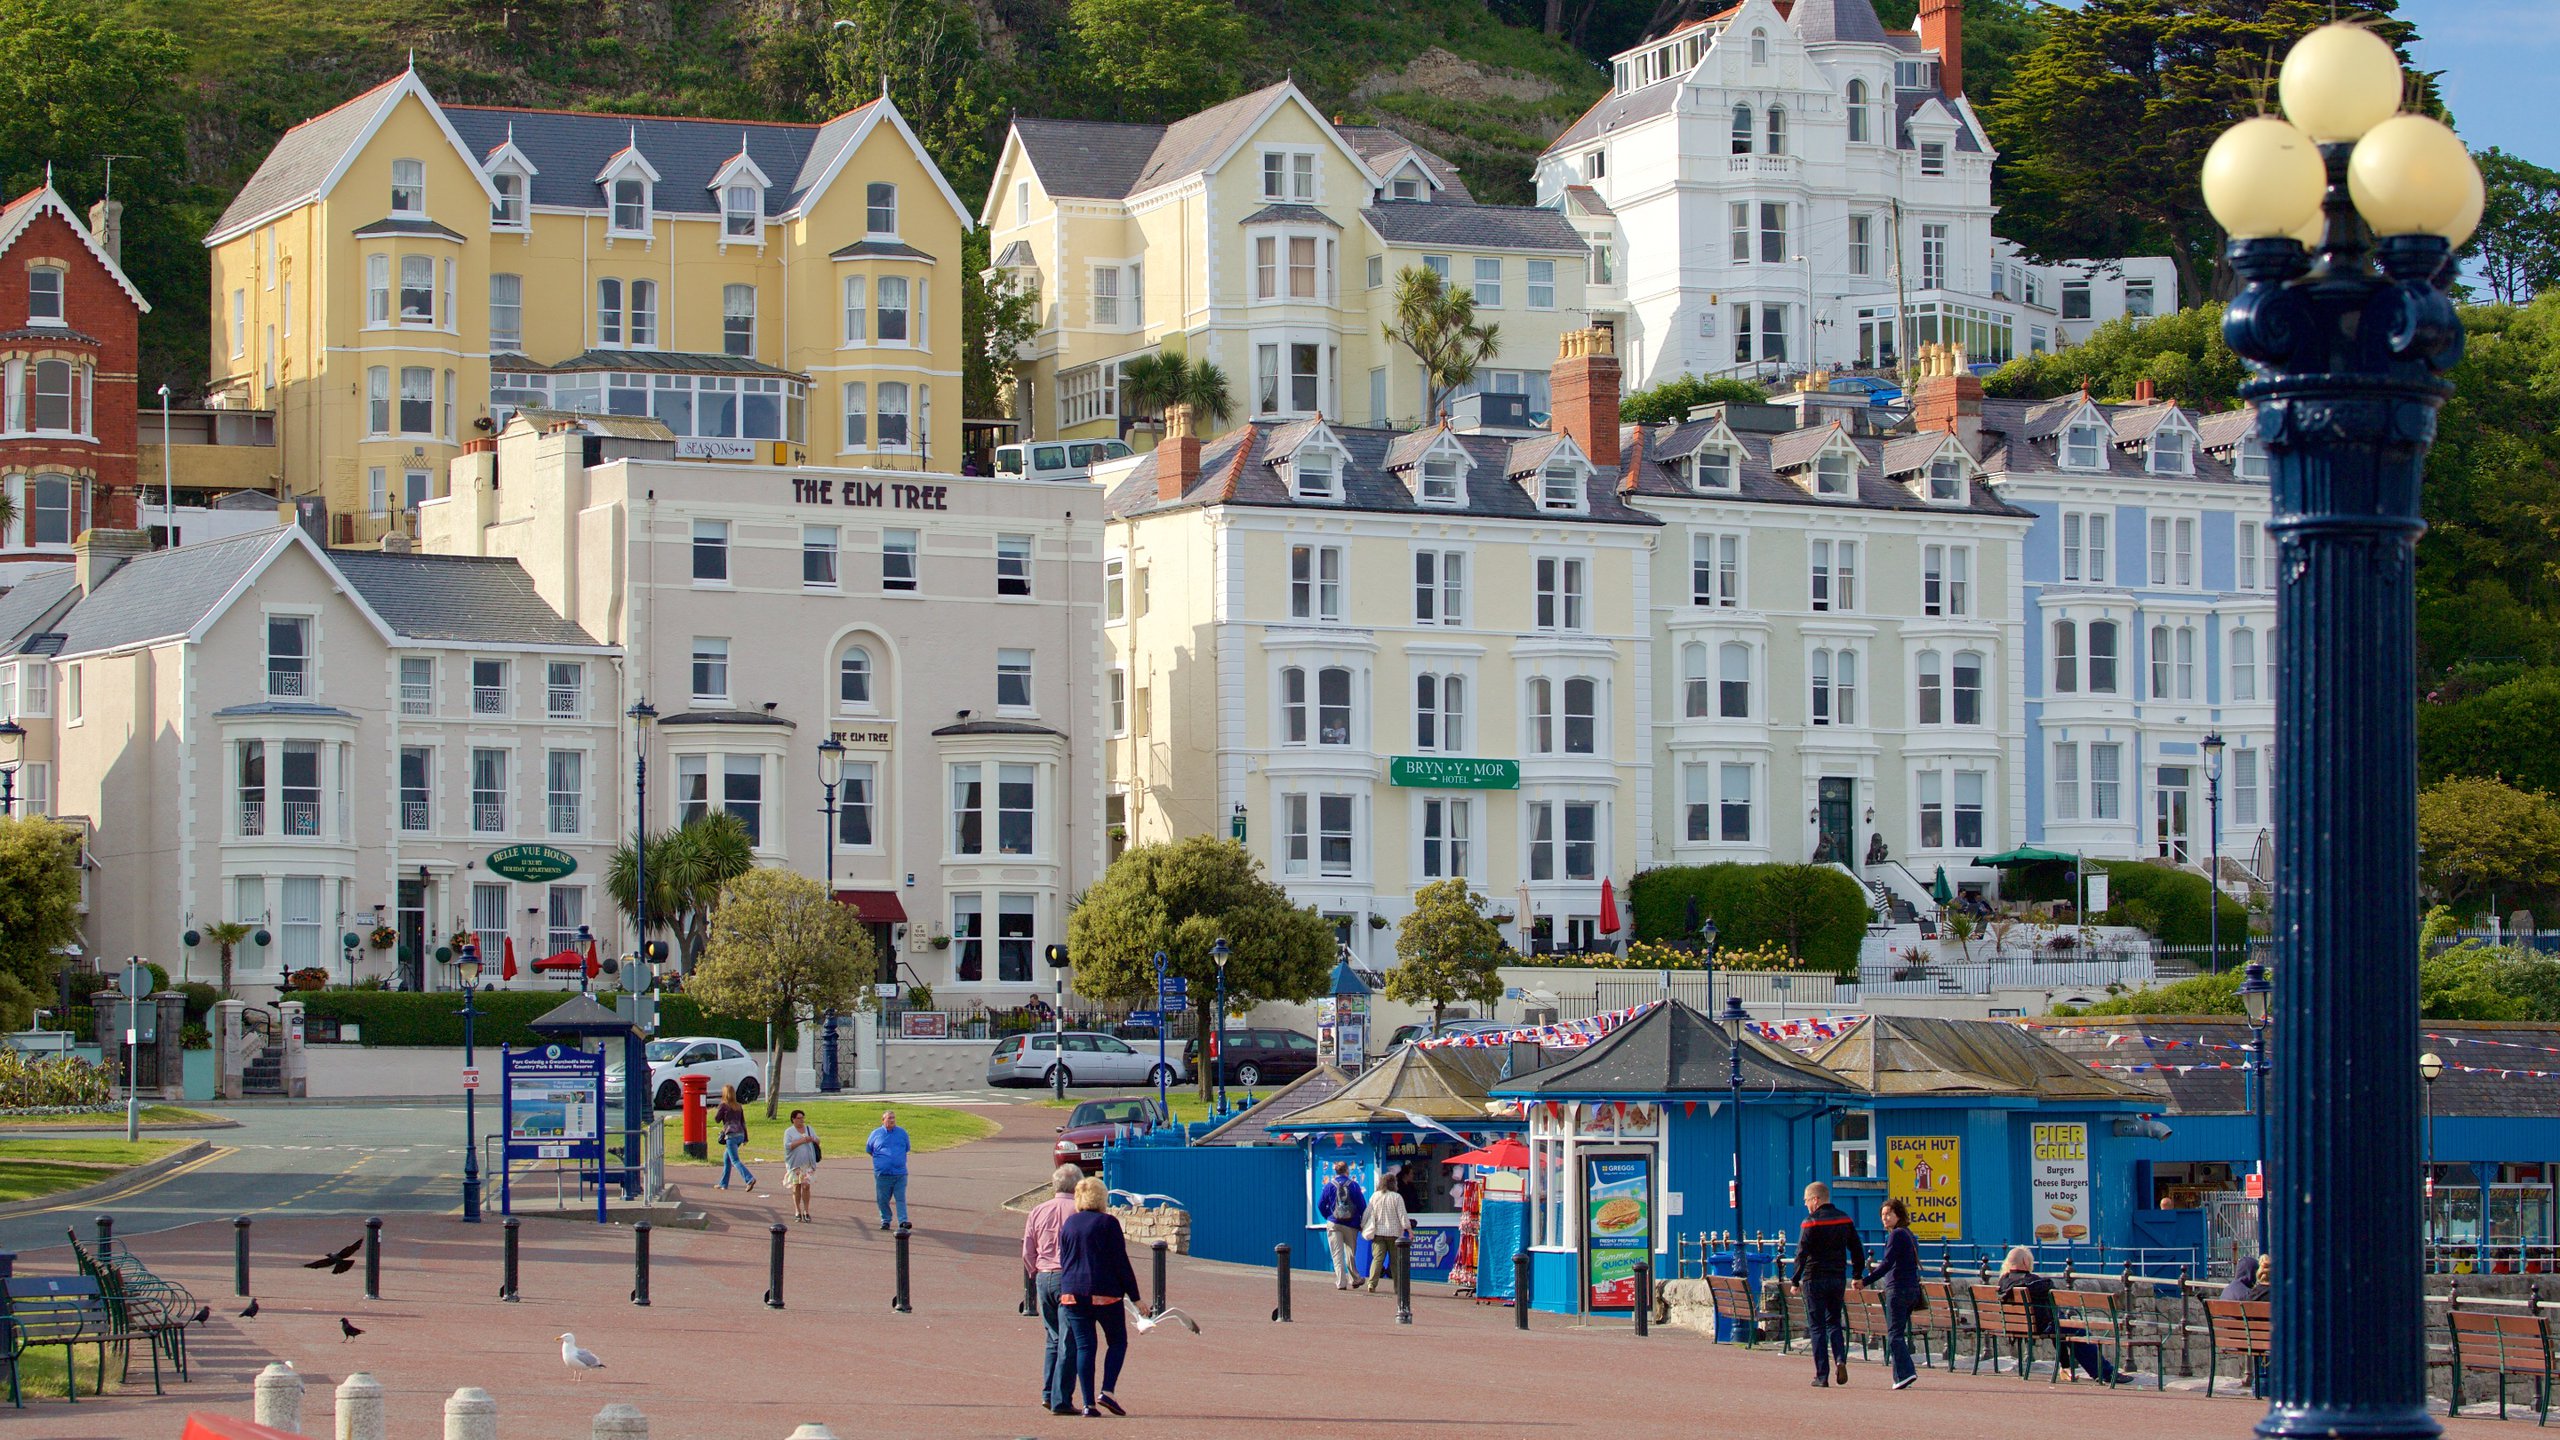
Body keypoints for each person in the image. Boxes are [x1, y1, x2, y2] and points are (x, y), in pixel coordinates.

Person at [1057, 1175, 1140, 1418]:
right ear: (1101, 1197)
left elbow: (1065, 1259)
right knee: (1117, 1342)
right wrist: (1135, 1297)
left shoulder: (1069, 1224)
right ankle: (1107, 1391)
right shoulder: (1108, 1223)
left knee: (1085, 1347)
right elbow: (1120, 1262)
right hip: (1104, 1292)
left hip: (1072, 1291)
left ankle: (1087, 1404)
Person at [1997, 1247, 2121, 1384]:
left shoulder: (2004, 1282)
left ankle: (2068, 1367)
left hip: (2020, 1325)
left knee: (2061, 1323)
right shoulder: (2034, 1282)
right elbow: (2049, 1287)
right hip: (2041, 1326)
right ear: (2025, 1262)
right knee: (2077, 1331)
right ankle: (2105, 1373)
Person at [1792, 1180, 1866, 1388]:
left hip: (1814, 1278)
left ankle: (1821, 1375)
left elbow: (1801, 1253)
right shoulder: (1845, 1219)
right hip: (1837, 1278)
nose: (1806, 1205)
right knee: (1834, 1322)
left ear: (1816, 1200)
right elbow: (1857, 1249)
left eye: (1807, 1200)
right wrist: (1858, 1273)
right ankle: (1840, 1359)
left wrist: (1795, 1280)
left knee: (1817, 1327)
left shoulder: (1810, 1222)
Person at [1022, 1162, 1083, 1415]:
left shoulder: (1037, 1210)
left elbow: (1027, 1249)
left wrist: (1034, 1271)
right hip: (1067, 1277)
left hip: (1043, 1276)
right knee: (1068, 1340)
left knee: (1053, 1337)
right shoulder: (1079, 1211)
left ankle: (1048, 1393)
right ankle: (1061, 1399)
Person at [1863, 1196, 1923, 1390]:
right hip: (1911, 1288)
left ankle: (1906, 1372)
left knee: (1894, 1334)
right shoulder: (1909, 1235)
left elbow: (1887, 1264)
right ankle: (1899, 1377)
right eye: (1882, 1214)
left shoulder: (1896, 1235)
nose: (1885, 1218)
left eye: (1889, 1213)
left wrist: (1865, 1281)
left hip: (1898, 1289)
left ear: (1899, 1215)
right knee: (1897, 1333)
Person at [1362, 1165, 1414, 1292]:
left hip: (1378, 1233)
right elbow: (1402, 1215)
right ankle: (1398, 1288)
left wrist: (1362, 1225)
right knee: (1395, 1262)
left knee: (1377, 1259)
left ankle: (1371, 1284)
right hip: (1394, 1233)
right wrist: (1409, 1230)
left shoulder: (1375, 1196)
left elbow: (1367, 1213)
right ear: (1393, 1184)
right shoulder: (1397, 1197)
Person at [1317, 1161, 1366, 1290]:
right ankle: (1355, 1278)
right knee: (1350, 1253)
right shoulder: (1354, 1186)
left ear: (1335, 1172)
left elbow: (1321, 1204)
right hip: (1351, 1224)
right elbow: (1362, 1206)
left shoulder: (1329, 1186)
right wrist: (1361, 1222)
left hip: (1334, 1223)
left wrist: (1329, 1216)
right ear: (1347, 1171)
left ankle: (1341, 1282)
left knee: (1337, 1254)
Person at [866, 1108, 912, 1231]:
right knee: (882, 1199)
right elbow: (869, 1150)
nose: (892, 1120)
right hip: (883, 1174)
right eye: (889, 1118)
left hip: (900, 1173)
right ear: (883, 1120)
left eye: (893, 1118)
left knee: (900, 1198)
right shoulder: (876, 1134)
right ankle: (886, 1220)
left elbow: (907, 1148)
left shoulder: (902, 1133)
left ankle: (903, 1221)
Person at [714, 1084, 755, 1192]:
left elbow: (717, 1119)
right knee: (727, 1159)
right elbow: (743, 1122)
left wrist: (719, 1109)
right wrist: (745, 1138)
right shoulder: (738, 1106)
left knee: (735, 1160)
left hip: (731, 1135)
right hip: (740, 1135)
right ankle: (723, 1183)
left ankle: (749, 1179)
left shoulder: (724, 1105)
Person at [781, 1109, 820, 1221]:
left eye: (802, 1118)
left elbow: (817, 1141)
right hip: (795, 1165)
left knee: (806, 1186)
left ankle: (806, 1211)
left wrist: (813, 1139)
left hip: (808, 1164)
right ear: (793, 1119)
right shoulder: (789, 1132)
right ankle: (797, 1211)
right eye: (799, 1118)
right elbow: (788, 1146)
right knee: (796, 1186)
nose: (801, 1120)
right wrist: (802, 1140)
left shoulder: (809, 1129)